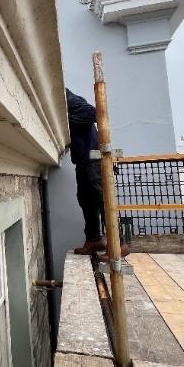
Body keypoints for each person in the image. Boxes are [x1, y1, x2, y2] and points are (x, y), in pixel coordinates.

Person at [66, 89, 127, 260]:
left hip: (94, 161)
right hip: (83, 162)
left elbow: (95, 113)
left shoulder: (71, 100)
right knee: (86, 202)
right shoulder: (68, 102)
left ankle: (118, 245)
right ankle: (94, 240)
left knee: (103, 202)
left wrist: (67, 122)